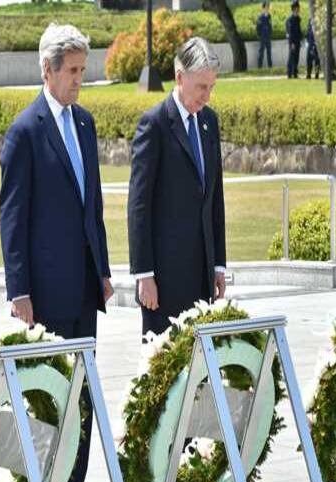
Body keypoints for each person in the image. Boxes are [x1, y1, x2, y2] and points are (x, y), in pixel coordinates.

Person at [0, 22, 112, 482]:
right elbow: (13, 218)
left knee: (81, 403)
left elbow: (94, 206)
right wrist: (19, 289)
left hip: (84, 291)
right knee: (49, 404)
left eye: (83, 71)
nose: (78, 80)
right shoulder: (25, 131)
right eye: (71, 71)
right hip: (43, 297)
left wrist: (103, 270)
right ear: (46, 70)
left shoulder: (85, 124)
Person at [127, 36, 227, 337]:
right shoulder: (154, 125)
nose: (207, 96)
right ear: (179, 77)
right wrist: (144, 275)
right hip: (163, 282)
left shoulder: (209, 121)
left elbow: (215, 198)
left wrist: (218, 264)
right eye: (201, 87)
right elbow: (139, 205)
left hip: (202, 276)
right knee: (163, 372)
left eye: (211, 87)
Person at [286, 0, 303, 79]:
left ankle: (295, 73)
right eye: (296, 9)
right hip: (292, 42)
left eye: (298, 9)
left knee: (296, 57)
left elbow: (299, 30)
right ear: (293, 9)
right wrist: (292, 43)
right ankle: (289, 73)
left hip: (297, 41)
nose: (297, 11)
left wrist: (301, 38)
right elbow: (290, 32)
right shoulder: (290, 20)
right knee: (291, 57)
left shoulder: (298, 19)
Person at [256, 2, 273, 69]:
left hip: (268, 36)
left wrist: (270, 33)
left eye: (268, 8)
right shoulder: (260, 17)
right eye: (266, 7)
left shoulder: (269, 16)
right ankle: (259, 66)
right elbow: (258, 27)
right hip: (262, 37)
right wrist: (260, 35)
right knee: (261, 52)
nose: (267, 9)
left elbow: (270, 26)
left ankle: (270, 66)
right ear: (263, 8)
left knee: (269, 52)